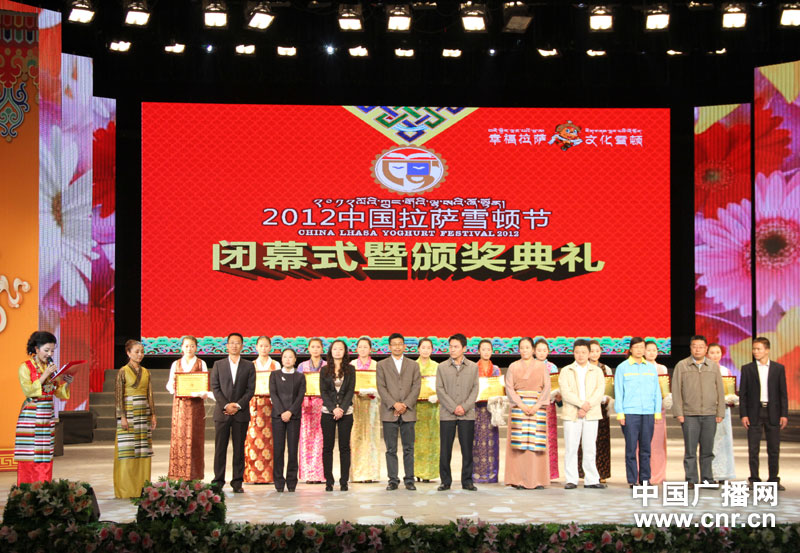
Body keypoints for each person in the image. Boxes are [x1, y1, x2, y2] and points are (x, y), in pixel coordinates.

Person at [14, 331, 73, 484]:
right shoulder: (25, 367)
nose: (50, 354)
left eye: (52, 350)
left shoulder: (50, 368)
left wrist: (66, 382)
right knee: (29, 455)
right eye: (46, 350)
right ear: (36, 349)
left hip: (46, 416)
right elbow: (28, 391)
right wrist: (44, 374)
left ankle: (44, 485)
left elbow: (58, 392)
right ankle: (27, 490)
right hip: (31, 416)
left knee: (44, 455)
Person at [672, 335, 725, 487]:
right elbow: (676, 390)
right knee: (690, 450)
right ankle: (691, 479)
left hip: (710, 414)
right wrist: (679, 412)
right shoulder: (682, 365)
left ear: (706, 348)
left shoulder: (713, 367)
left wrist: (720, 412)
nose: (697, 349)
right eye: (695, 346)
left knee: (708, 450)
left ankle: (707, 478)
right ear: (690, 348)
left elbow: (720, 391)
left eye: (701, 346)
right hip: (689, 415)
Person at [739, 336, 788, 490]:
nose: (756, 352)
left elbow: (783, 394)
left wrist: (784, 414)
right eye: (754, 349)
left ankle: (774, 479)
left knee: (773, 448)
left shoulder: (778, 368)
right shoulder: (747, 369)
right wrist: (743, 414)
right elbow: (744, 394)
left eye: (759, 349)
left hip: (773, 412)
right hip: (754, 412)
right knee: (753, 448)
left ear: (767, 350)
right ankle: (754, 478)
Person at [211, 333, 256, 493]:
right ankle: (217, 481)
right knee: (220, 449)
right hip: (222, 414)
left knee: (239, 450)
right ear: (227, 345)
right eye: (232, 343)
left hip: (240, 413)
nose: (234, 345)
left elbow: (250, 390)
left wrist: (237, 405)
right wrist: (226, 405)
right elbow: (215, 388)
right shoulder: (218, 364)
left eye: (238, 343)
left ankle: (237, 482)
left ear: (242, 345)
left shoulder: (249, 365)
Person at [376, 333, 421, 490]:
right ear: (389, 347)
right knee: (391, 449)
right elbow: (381, 387)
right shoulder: (381, 365)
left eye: (400, 344)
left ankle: (409, 479)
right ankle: (393, 480)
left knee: (409, 448)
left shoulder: (413, 365)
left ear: (404, 346)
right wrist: (394, 404)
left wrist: (405, 405)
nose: (397, 346)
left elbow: (416, 387)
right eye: (394, 344)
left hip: (408, 413)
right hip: (389, 412)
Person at [559, 339, 606, 489]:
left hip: (591, 413)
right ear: (573, 353)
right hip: (572, 414)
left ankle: (592, 479)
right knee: (571, 447)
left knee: (590, 447)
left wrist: (587, 406)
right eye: (578, 352)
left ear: (589, 353)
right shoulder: (566, 371)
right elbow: (566, 392)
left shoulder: (597, 371)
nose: (580, 355)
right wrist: (581, 405)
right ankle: (571, 479)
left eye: (584, 352)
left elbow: (599, 391)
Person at [615, 337, 662, 487]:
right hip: (630, 413)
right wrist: (620, 413)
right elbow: (619, 391)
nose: (640, 350)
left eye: (642, 347)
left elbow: (657, 391)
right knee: (631, 448)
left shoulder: (650, 368)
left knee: (646, 448)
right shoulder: (623, 367)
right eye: (636, 347)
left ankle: (645, 479)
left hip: (648, 412)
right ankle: (632, 480)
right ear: (631, 349)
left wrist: (657, 412)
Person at [504, 337, 550, 490]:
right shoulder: (513, 366)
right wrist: (521, 404)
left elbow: (547, 387)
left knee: (535, 446)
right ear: (519, 349)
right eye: (522, 348)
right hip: (519, 407)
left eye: (528, 347)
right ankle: (519, 479)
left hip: (537, 408)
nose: (525, 350)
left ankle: (537, 480)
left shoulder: (541, 366)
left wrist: (537, 405)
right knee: (519, 446)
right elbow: (509, 388)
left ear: (532, 349)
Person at [436, 333, 480, 491]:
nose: (452, 350)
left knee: (467, 449)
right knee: (445, 449)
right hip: (447, 414)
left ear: (464, 348)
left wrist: (464, 407)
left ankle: (467, 481)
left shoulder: (473, 367)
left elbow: (475, 389)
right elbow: (440, 390)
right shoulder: (441, 367)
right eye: (451, 346)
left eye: (456, 347)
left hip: (467, 414)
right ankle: (445, 481)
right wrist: (454, 407)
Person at [114, 340, 156, 498]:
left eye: (142, 352)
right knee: (127, 451)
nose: (140, 355)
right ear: (128, 353)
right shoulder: (123, 371)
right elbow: (118, 396)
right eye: (136, 351)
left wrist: (153, 414)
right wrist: (122, 416)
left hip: (143, 412)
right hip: (129, 412)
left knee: (142, 450)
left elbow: (149, 394)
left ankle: (141, 488)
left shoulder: (146, 372)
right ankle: (126, 489)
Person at [166, 335, 211, 481]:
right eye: (186, 346)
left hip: (196, 406)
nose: (189, 348)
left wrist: (203, 392)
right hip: (180, 406)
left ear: (196, 347)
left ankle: (195, 474)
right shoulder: (176, 364)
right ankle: (178, 473)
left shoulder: (201, 363)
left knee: (195, 439)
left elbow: (205, 384)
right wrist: (174, 387)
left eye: (192, 346)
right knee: (179, 438)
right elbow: (169, 384)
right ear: (182, 347)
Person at [320, 339, 356, 491]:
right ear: (330, 351)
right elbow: (324, 392)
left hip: (346, 412)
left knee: (344, 447)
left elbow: (350, 391)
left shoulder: (351, 369)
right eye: (335, 349)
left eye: (340, 349)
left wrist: (341, 408)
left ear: (345, 352)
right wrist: (332, 408)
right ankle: (329, 481)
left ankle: (343, 482)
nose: (337, 351)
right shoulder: (324, 370)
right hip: (327, 412)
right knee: (327, 448)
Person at [245, 336, 281, 484]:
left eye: (266, 346)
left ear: (270, 347)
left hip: (271, 405)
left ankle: (269, 475)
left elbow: (279, 384)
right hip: (254, 405)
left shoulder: (275, 364)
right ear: (256, 347)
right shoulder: (250, 365)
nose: (264, 348)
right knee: (252, 440)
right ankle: (252, 475)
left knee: (271, 440)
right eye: (261, 346)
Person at [270, 348, 306, 492]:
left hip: (294, 417)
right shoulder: (274, 375)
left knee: (292, 450)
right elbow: (273, 395)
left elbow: (300, 396)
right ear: (281, 359)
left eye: (291, 357)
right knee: (278, 450)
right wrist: (282, 412)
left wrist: (290, 412)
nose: (288, 359)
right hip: (278, 416)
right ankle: (278, 482)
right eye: (285, 357)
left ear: (295, 359)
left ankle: (291, 482)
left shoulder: (300, 376)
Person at [580, 339, 613, 482]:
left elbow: (610, 391)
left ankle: (602, 473)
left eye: (597, 351)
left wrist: (607, 399)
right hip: (585, 408)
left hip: (601, 409)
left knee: (602, 442)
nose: (594, 354)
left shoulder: (606, 369)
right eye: (591, 351)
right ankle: (585, 473)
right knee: (585, 442)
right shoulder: (582, 369)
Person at [350, 337, 381, 482]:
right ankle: (357, 474)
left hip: (372, 404)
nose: (363, 349)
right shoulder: (352, 365)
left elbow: (381, 385)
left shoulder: (376, 365)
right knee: (356, 437)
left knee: (372, 437)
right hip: (356, 404)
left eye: (365, 347)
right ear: (356, 349)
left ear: (370, 349)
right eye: (360, 347)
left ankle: (371, 474)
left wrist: (373, 392)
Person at [297, 338, 326, 483]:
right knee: (306, 438)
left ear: (322, 349)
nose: (315, 349)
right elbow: (297, 386)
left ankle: (319, 474)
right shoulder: (302, 366)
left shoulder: (327, 366)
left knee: (320, 439)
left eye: (318, 347)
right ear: (308, 349)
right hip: (305, 406)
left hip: (322, 405)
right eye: (313, 347)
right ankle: (308, 474)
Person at [474, 339, 501, 484]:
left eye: (488, 349)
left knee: (491, 443)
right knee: (476, 442)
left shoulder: (496, 369)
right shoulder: (472, 368)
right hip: (476, 410)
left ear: (492, 351)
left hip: (491, 410)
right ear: (479, 351)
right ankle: (476, 474)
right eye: (483, 349)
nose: (486, 352)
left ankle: (492, 474)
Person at [707, 343, 736, 482]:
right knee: (710, 442)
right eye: (712, 352)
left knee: (724, 441)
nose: (715, 355)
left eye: (717, 352)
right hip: (708, 410)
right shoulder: (704, 370)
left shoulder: (726, 371)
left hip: (724, 410)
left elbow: (731, 391)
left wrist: (731, 398)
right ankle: (710, 473)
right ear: (707, 354)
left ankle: (724, 473)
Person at [644, 340, 670, 485]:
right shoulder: (639, 367)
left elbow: (664, 390)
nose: (652, 353)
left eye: (654, 350)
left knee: (658, 444)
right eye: (649, 350)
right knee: (642, 444)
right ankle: (643, 474)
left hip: (658, 409)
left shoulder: (662, 368)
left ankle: (658, 475)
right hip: (642, 409)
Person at [414, 337, 439, 482]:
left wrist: (437, 395)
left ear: (432, 350)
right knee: (416, 442)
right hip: (416, 408)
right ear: (418, 349)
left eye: (428, 347)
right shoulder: (412, 365)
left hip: (432, 407)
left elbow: (441, 385)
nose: (425, 350)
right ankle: (417, 471)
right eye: (423, 347)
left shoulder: (436, 366)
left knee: (432, 440)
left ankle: (429, 473)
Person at [534, 339, 560, 480]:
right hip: (533, 406)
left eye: (544, 350)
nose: (542, 353)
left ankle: (550, 472)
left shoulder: (553, 368)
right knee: (534, 439)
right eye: (539, 350)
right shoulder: (530, 366)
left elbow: (556, 389)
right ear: (534, 351)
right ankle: (535, 471)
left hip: (549, 408)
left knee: (549, 439)